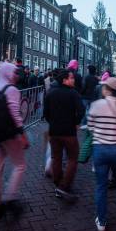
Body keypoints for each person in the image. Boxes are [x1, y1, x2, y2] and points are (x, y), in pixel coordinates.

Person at [87, 77, 116, 231]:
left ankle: (102, 220)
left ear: (107, 89)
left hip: (100, 149)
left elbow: (91, 127)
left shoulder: (96, 105)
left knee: (101, 185)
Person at [0, 61, 29, 219]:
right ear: (8, 73)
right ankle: (10, 197)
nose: (17, 76)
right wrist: (22, 134)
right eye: (14, 72)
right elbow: (15, 114)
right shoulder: (12, 89)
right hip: (9, 134)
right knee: (20, 165)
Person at [44, 68, 85, 201]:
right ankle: (64, 186)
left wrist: (53, 122)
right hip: (69, 132)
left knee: (56, 157)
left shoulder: (50, 93)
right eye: (71, 78)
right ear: (64, 80)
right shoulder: (74, 94)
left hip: (54, 131)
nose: (74, 80)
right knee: (73, 158)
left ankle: (57, 183)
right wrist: (76, 122)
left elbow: (46, 113)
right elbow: (81, 111)